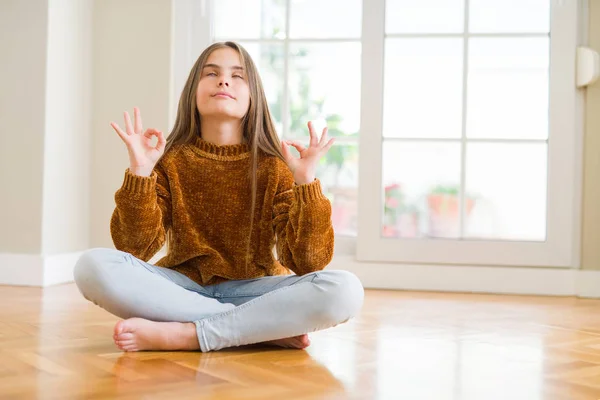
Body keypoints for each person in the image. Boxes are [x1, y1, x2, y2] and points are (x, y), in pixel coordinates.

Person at [73, 41, 364, 352]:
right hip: (181, 288)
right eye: (211, 73)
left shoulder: (275, 166)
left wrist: (306, 183)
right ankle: (257, 329)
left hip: (257, 291)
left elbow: (310, 262)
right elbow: (134, 248)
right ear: (193, 92)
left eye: (237, 76)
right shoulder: (169, 160)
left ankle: (187, 334)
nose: (224, 80)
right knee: (90, 266)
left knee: (346, 290)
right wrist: (140, 173)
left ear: (254, 97)